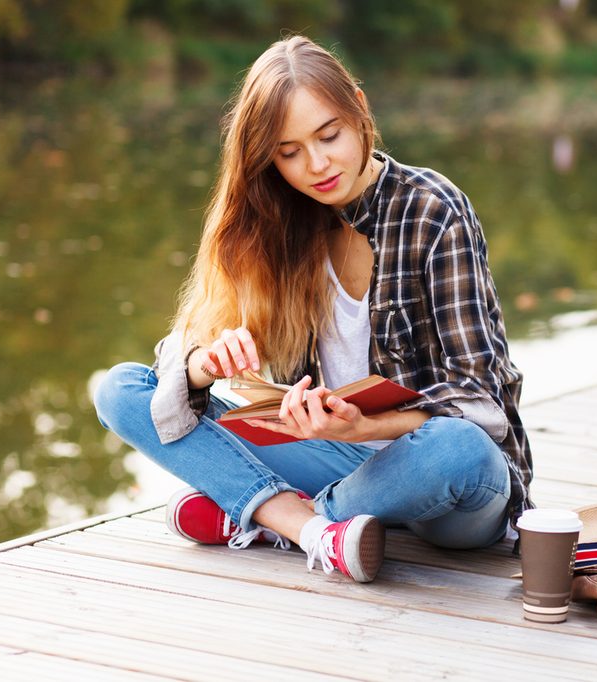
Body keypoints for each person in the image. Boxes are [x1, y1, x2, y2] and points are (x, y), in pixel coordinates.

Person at [93, 35, 532, 583]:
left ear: (360, 110)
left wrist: (362, 426)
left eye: (329, 136)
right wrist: (205, 364)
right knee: (120, 389)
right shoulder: (275, 225)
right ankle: (315, 529)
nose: (317, 165)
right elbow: (177, 378)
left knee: (457, 448)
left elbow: (485, 407)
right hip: (337, 460)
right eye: (288, 151)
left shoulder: (433, 210)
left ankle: (272, 516)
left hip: (442, 484)